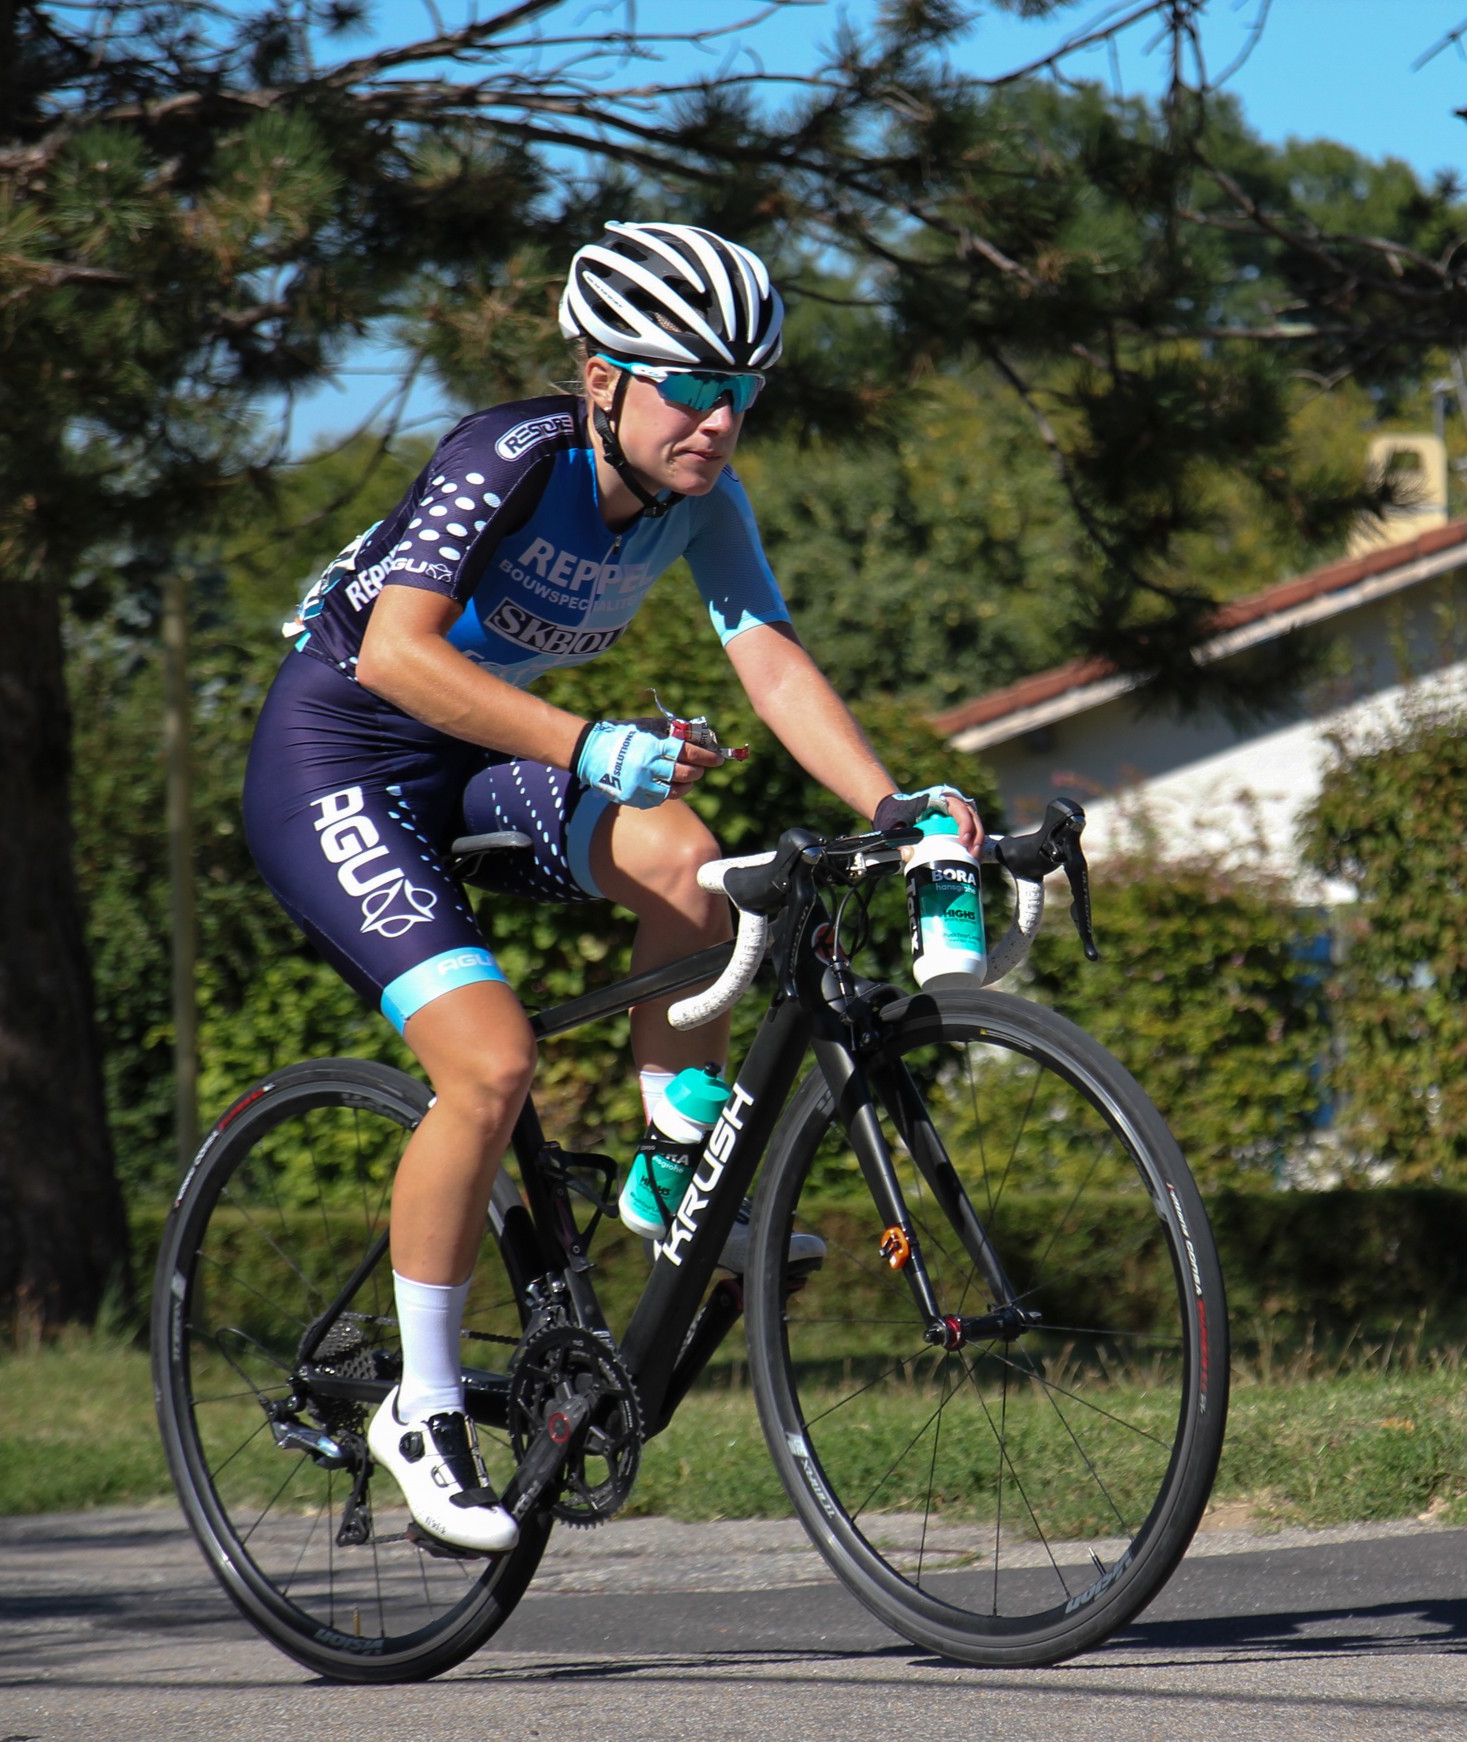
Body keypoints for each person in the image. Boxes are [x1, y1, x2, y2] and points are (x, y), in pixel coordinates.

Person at [242, 220, 981, 1556]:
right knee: (489, 1060)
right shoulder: (505, 459)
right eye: (690, 385)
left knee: (690, 862)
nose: (719, 418)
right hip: (336, 756)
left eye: (744, 392)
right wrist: (587, 742)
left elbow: (772, 661)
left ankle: (663, 1162)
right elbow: (400, 658)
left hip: (475, 754)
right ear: (602, 378)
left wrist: (891, 801)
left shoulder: (703, 503)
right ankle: (420, 1405)